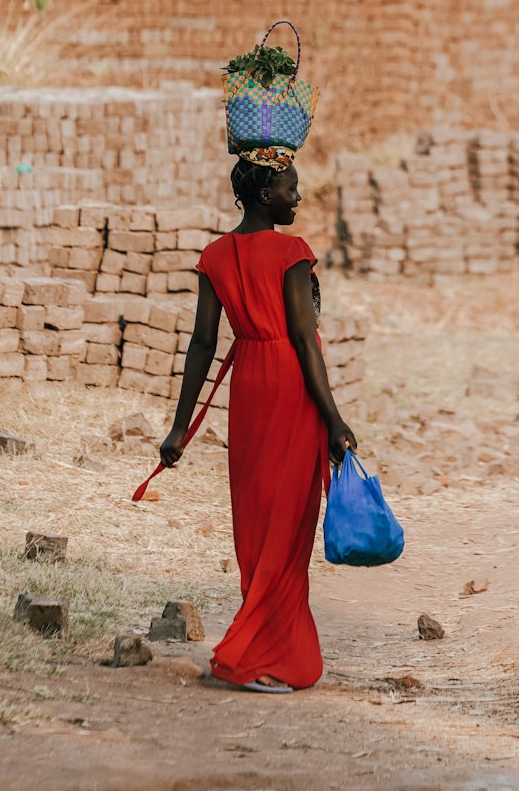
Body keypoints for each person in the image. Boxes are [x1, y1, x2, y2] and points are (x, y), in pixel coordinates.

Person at [159, 155, 357, 693]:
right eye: (291, 188)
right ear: (265, 193)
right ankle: (254, 656)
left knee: (256, 522)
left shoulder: (216, 255)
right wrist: (334, 419)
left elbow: (202, 345)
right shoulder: (292, 253)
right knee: (287, 528)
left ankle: (269, 646)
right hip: (290, 391)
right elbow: (303, 340)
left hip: (248, 391)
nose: (299, 197)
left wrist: (181, 428)